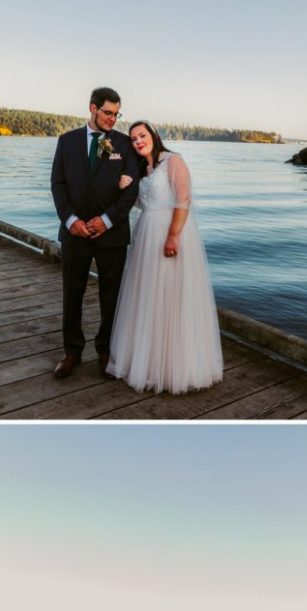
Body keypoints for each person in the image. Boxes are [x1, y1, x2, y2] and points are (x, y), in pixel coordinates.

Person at [106, 121, 224, 393]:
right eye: (133, 138)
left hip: (171, 234)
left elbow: (183, 200)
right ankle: (147, 362)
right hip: (146, 236)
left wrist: (173, 235)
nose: (138, 141)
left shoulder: (173, 161)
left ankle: (175, 366)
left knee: (172, 295)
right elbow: (142, 202)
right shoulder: (139, 169)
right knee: (148, 295)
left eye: (142, 135)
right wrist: (125, 185)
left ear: (154, 136)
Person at [50, 87, 141, 378]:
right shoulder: (66, 142)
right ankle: (72, 352)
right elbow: (58, 184)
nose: (113, 119)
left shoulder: (125, 145)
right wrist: (70, 220)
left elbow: (132, 190)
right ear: (92, 108)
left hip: (111, 234)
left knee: (111, 295)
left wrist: (107, 220)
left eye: (117, 114)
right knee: (71, 294)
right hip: (74, 233)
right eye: (107, 113)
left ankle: (106, 351)